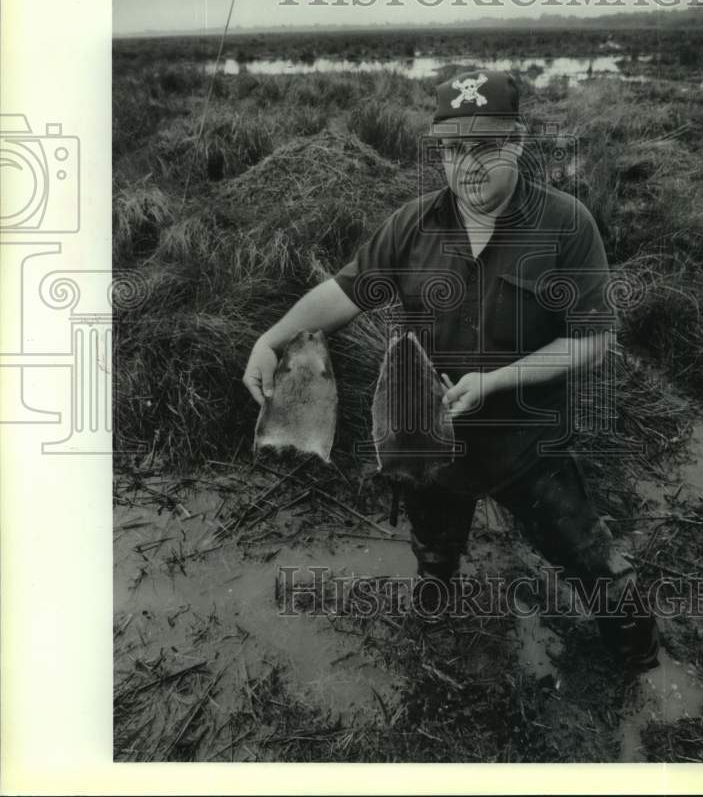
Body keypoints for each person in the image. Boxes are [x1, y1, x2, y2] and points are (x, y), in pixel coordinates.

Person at [243, 69, 660, 671]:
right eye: (453, 148)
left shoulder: (565, 225)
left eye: (485, 147)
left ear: (516, 141)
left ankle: (637, 663)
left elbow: (592, 341)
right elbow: (344, 292)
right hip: (427, 441)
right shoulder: (413, 224)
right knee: (434, 547)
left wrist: (494, 382)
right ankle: (437, 594)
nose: (468, 165)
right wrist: (271, 340)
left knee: (599, 570)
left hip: (527, 442)